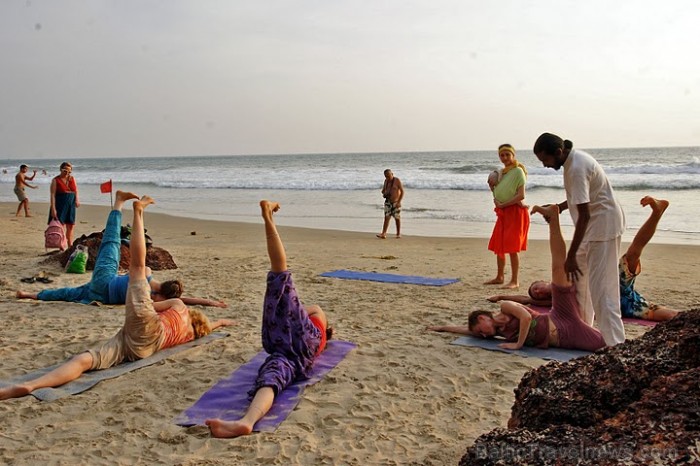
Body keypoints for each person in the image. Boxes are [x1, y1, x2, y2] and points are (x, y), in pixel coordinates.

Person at [0, 193, 235, 401]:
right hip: (140, 349)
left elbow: (167, 306)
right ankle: (31, 385)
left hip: (137, 317)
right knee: (86, 359)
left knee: (128, 258)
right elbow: (212, 325)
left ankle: (133, 210)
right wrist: (222, 320)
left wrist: (214, 313)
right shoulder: (191, 333)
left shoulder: (176, 306)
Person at [205, 200, 333, 438]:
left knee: (281, 276)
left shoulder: (318, 324)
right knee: (271, 380)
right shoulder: (317, 342)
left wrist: (296, 311)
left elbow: (308, 309)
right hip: (293, 354)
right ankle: (248, 420)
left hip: (293, 342)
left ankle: (267, 216)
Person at [428, 204, 606, 352]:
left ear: (483, 318)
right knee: (607, 346)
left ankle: (554, 219)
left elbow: (526, 318)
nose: (483, 336)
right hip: (567, 337)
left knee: (558, 268)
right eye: (480, 335)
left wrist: (518, 345)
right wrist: (442, 328)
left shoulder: (506, 307)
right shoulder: (500, 332)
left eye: (480, 332)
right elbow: (464, 330)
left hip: (561, 318)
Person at [16, 191, 227, 308]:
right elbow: (185, 301)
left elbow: (186, 299)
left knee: (111, 243)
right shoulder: (154, 290)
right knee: (66, 293)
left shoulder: (149, 277)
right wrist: (211, 302)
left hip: (102, 285)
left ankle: (119, 203)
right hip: (102, 292)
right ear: (165, 294)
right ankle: (29, 294)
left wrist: (210, 302)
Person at [487, 196, 679, 322]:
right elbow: (525, 299)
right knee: (664, 315)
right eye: (536, 293)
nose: (537, 292)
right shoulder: (555, 301)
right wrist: (502, 297)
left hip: (611, 281)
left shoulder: (560, 282)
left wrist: (502, 296)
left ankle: (657, 211)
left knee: (633, 254)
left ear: (545, 281)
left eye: (536, 287)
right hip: (622, 304)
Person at [533, 133, 626, 346]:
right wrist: (558, 208)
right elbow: (579, 197)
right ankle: (583, 332)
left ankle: (616, 346)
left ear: (558, 152)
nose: (545, 165)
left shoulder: (576, 167)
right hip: (592, 230)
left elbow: (584, 215)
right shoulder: (572, 162)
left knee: (603, 291)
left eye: (545, 160)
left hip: (602, 229)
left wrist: (571, 255)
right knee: (580, 284)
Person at [484, 144, 530, 289]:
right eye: (502, 155)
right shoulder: (502, 173)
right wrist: (493, 191)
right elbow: (500, 191)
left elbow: (521, 195)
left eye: (507, 155)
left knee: (512, 247)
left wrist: (504, 205)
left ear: (513, 155)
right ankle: (500, 276)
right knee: (500, 244)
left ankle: (515, 281)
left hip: (514, 213)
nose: (504, 158)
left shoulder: (518, 171)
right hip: (503, 212)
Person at [49, 162, 80, 248]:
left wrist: (77, 200)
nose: (67, 173)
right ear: (60, 169)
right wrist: (53, 208)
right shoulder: (55, 180)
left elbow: (76, 191)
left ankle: (70, 244)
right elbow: (52, 195)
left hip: (71, 204)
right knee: (60, 225)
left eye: (69, 172)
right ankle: (61, 245)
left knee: (71, 225)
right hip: (60, 204)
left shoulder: (72, 179)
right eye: (65, 171)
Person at [376, 169, 404, 239]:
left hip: (395, 202)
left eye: (388, 176)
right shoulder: (386, 181)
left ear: (392, 174)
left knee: (397, 218)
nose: (387, 178)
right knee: (386, 217)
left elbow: (402, 191)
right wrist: (384, 193)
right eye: (386, 177)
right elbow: (383, 190)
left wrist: (399, 201)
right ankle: (383, 233)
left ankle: (398, 233)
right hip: (388, 202)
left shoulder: (397, 180)